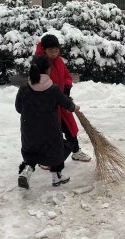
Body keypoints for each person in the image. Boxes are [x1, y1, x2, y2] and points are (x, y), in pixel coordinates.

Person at [15, 56, 80, 189]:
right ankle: (57, 176)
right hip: (50, 130)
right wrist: (75, 107)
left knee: (31, 152)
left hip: (29, 130)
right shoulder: (53, 89)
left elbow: (18, 108)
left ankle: (26, 171)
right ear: (48, 70)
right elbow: (67, 104)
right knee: (58, 149)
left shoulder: (24, 88)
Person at [35, 35, 92, 162]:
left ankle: (76, 151)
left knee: (70, 127)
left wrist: (67, 87)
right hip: (47, 106)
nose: (54, 53)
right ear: (44, 49)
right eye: (50, 51)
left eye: (56, 50)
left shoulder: (59, 61)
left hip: (61, 102)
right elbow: (37, 83)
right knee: (50, 133)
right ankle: (47, 158)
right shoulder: (40, 63)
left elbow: (66, 75)